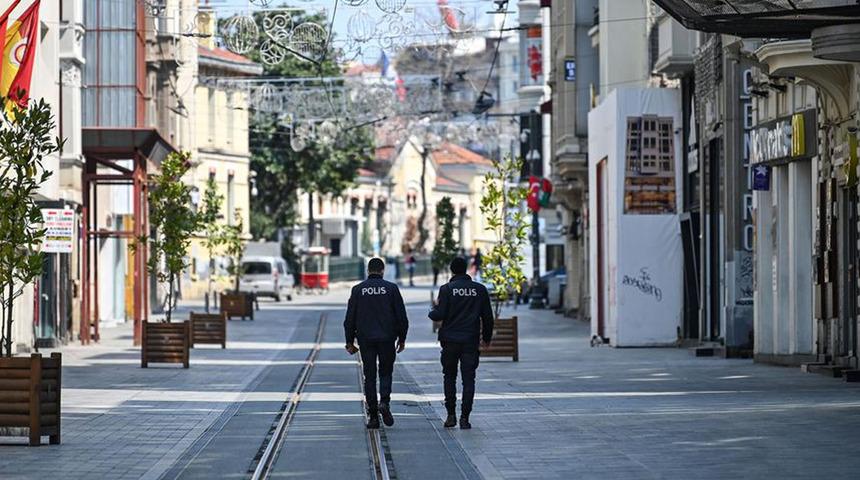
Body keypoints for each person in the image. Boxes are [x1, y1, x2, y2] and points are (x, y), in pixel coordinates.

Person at [429, 257, 494, 429]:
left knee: (449, 377)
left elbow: (439, 314)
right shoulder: (479, 289)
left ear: (451, 270)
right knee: (469, 379)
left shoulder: (447, 289)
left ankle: (451, 415)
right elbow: (487, 317)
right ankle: (465, 418)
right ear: (466, 269)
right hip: (470, 341)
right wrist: (486, 339)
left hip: (450, 341)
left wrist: (432, 310)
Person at [344, 258, 409, 429]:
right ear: (382, 270)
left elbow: (349, 319)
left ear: (368, 270)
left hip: (366, 339)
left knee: (370, 376)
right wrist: (402, 338)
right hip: (387, 338)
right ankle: (385, 403)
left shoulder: (358, 290)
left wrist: (349, 341)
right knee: (386, 373)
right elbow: (402, 317)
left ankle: (373, 416)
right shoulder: (391, 289)